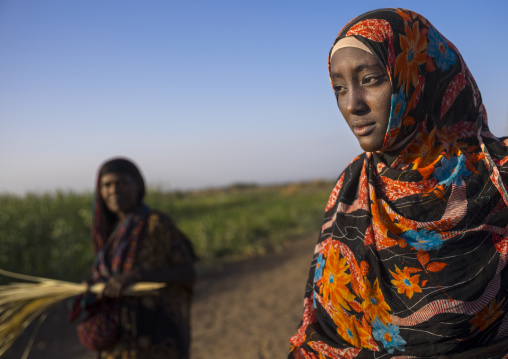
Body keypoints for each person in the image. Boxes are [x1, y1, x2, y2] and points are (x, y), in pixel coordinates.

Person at [289, 8, 508, 358]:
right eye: (339, 88)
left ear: (418, 76)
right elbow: (324, 334)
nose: (352, 105)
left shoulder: (497, 175)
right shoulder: (353, 187)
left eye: (371, 79)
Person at [70, 157, 196, 359]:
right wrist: (97, 287)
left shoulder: (156, 224)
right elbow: (111, 277)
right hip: (119, 340)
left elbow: (188, 274)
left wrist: (137, 276)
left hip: (157, 336)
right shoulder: (108, 234)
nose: (113, 190)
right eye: (107, 185)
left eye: (121, 183)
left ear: (138, 185)